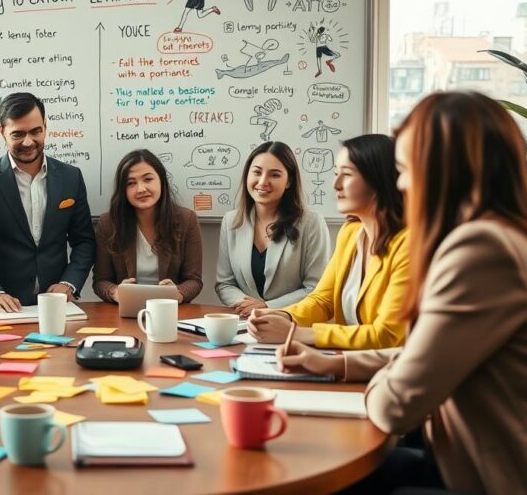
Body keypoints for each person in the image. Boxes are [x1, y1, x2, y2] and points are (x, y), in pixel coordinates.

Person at [277, 92, 527, 494]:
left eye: (405, 169)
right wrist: (337, 365)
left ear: (444, 173)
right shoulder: (511, 236)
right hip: (511, 464)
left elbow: (397, 405)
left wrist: (366, 382)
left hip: (505, 479)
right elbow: (431, 353)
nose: (400, 184)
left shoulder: (482, 250)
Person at [248, 134, 409, 349]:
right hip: (344, 358)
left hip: (385, 365)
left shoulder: (408, 245)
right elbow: (323, 300)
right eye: (335, 173)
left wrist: (296, 333)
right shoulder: (351, 233)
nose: (336, 184)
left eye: (347, 174)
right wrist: (281, 316)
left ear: (379, 179)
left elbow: (388, 335)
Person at [0, 92, 95, 312]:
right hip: (0, 307)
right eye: (18, 134)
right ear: (2, 132)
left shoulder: (71, 177)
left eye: (35, 131)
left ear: (45, 127)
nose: (28, 141)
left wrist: (68, 283)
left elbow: (84, 241)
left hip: (56, 306)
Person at [216, 141, 331, 313]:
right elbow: (225, 284)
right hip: (243, 320)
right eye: (257, 172)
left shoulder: (312, 223)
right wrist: (248, 306)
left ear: (289, 181)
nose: (263, 182)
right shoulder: (231, 221)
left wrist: (267, 307)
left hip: (291, 321)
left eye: (275, 175)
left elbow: (316, 287)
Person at [93, 149, 203, 303]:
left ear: (161, 180)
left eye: (148, 179)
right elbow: (101, 281)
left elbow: (194, 280)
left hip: (168, 309)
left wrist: (177, 293)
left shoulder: (187, 220)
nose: (141, 189)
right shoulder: (108, 223)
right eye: (131, 183)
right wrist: (115, 292)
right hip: (125, 309)